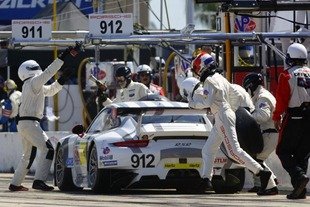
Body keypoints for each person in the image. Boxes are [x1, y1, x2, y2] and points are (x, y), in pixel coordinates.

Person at [187, 53, 276, 195]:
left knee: (235, 151)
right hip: (223, 114)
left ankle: (261, 172)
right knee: (208, 149)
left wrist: (192, 103)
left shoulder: (210, 80)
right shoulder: (220, 78)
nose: (197, 71)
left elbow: (207, 102)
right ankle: (206, 180)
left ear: (203, 67)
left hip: (222, 115)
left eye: (198, 68)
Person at [9, 42, 83, 192]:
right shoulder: (33, 82)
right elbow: (48, 72)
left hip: (24, 123)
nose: (39, 71)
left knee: (28, 155)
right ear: (31, 71)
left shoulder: (32, 85)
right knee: (48, 148)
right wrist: (63, 56)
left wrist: (62, 79)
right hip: (30, 123)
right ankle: (39, 181)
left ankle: (15, 183)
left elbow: (51, 90)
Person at [272, 42, 310, 199]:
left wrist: (276, 117)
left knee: (283, 151)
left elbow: (281, 100)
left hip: (294, 116)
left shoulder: (287, 75)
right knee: (303, 154)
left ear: (290, 58)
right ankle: (299, 190)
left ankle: (299, 177)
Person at [243, 73, 279, 195]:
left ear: (251, 86)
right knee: (257, 159)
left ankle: (271, 186)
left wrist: (247, 117)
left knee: (255, 160)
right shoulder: (261, 95)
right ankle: (270, 180)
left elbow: (263, 116)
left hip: (269, 133)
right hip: (268, 133)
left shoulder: (263, 97)